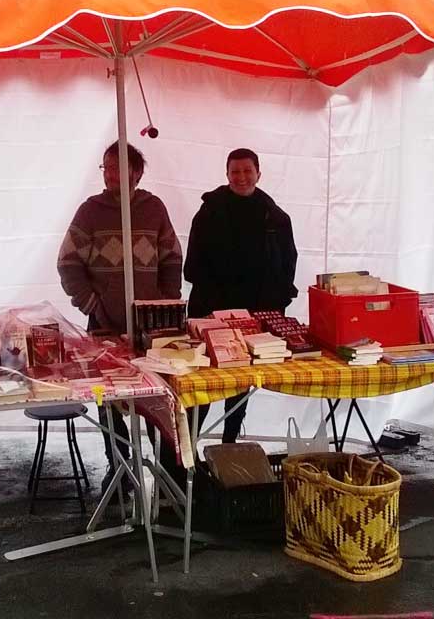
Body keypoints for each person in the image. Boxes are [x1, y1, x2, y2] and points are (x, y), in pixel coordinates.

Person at [57, 141, 183, 491]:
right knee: (108, 398)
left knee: (159, 395)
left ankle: (168, 471)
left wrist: (164, 302)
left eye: (119, 167)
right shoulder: (90, 211)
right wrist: (91, 303)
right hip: (104, 323)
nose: (112, 174)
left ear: (137, 172)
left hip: (151, 326)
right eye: (107, 167)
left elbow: (172, 257)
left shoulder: (153, 208)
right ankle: (119, 467)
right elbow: (68, 263)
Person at [184, 147, 298, 443]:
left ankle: (229, 444)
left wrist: (274, 310)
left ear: (259, 173)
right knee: (205, 385)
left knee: (241, 385)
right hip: (212, 313)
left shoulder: (275, 217)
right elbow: (192, 265)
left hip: (253, 316)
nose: (242, 177)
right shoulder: (209, 211)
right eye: (236, 171)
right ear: (227, 174)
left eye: (248, 171)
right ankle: (187, 453)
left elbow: (288, 266)